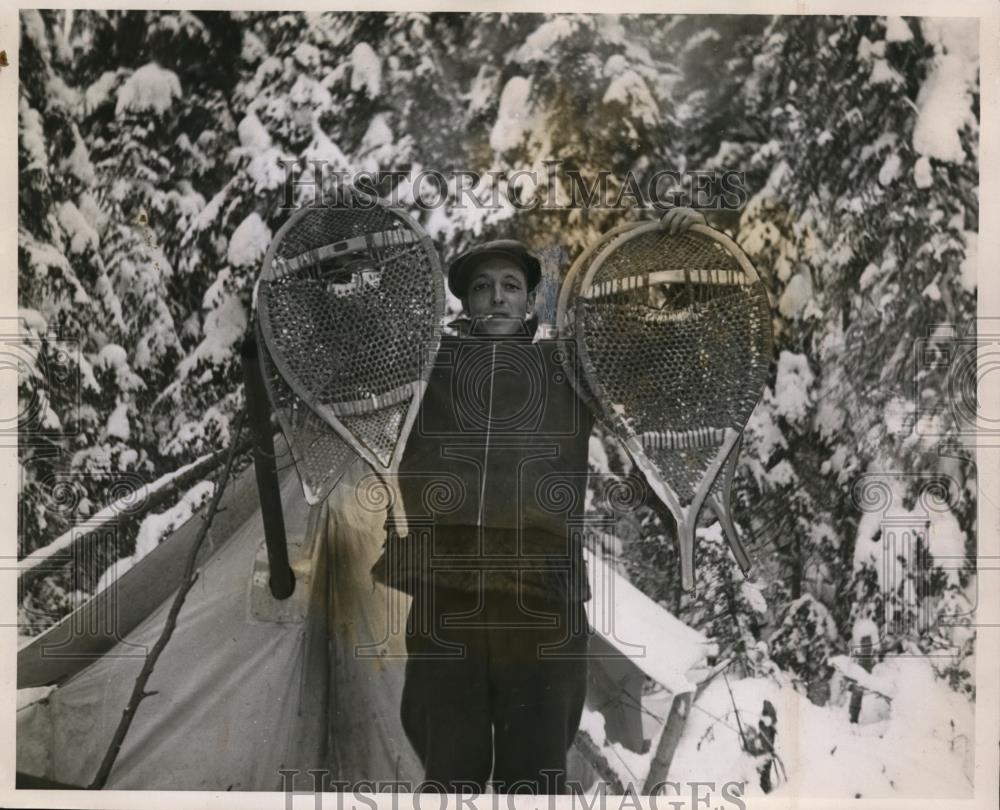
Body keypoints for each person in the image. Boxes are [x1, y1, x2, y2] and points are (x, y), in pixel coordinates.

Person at [371, 209, 705, 795]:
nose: (495, 298)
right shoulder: (424, 368)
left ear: (529, 301)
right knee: (450, 771)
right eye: (480, 287)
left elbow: (659, 347)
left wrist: (681, 258)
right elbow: (346, 353)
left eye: (510, 286)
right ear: (464, 304)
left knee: (539, 773)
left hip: (543, 599)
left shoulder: (568, 366)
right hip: (448, 596)